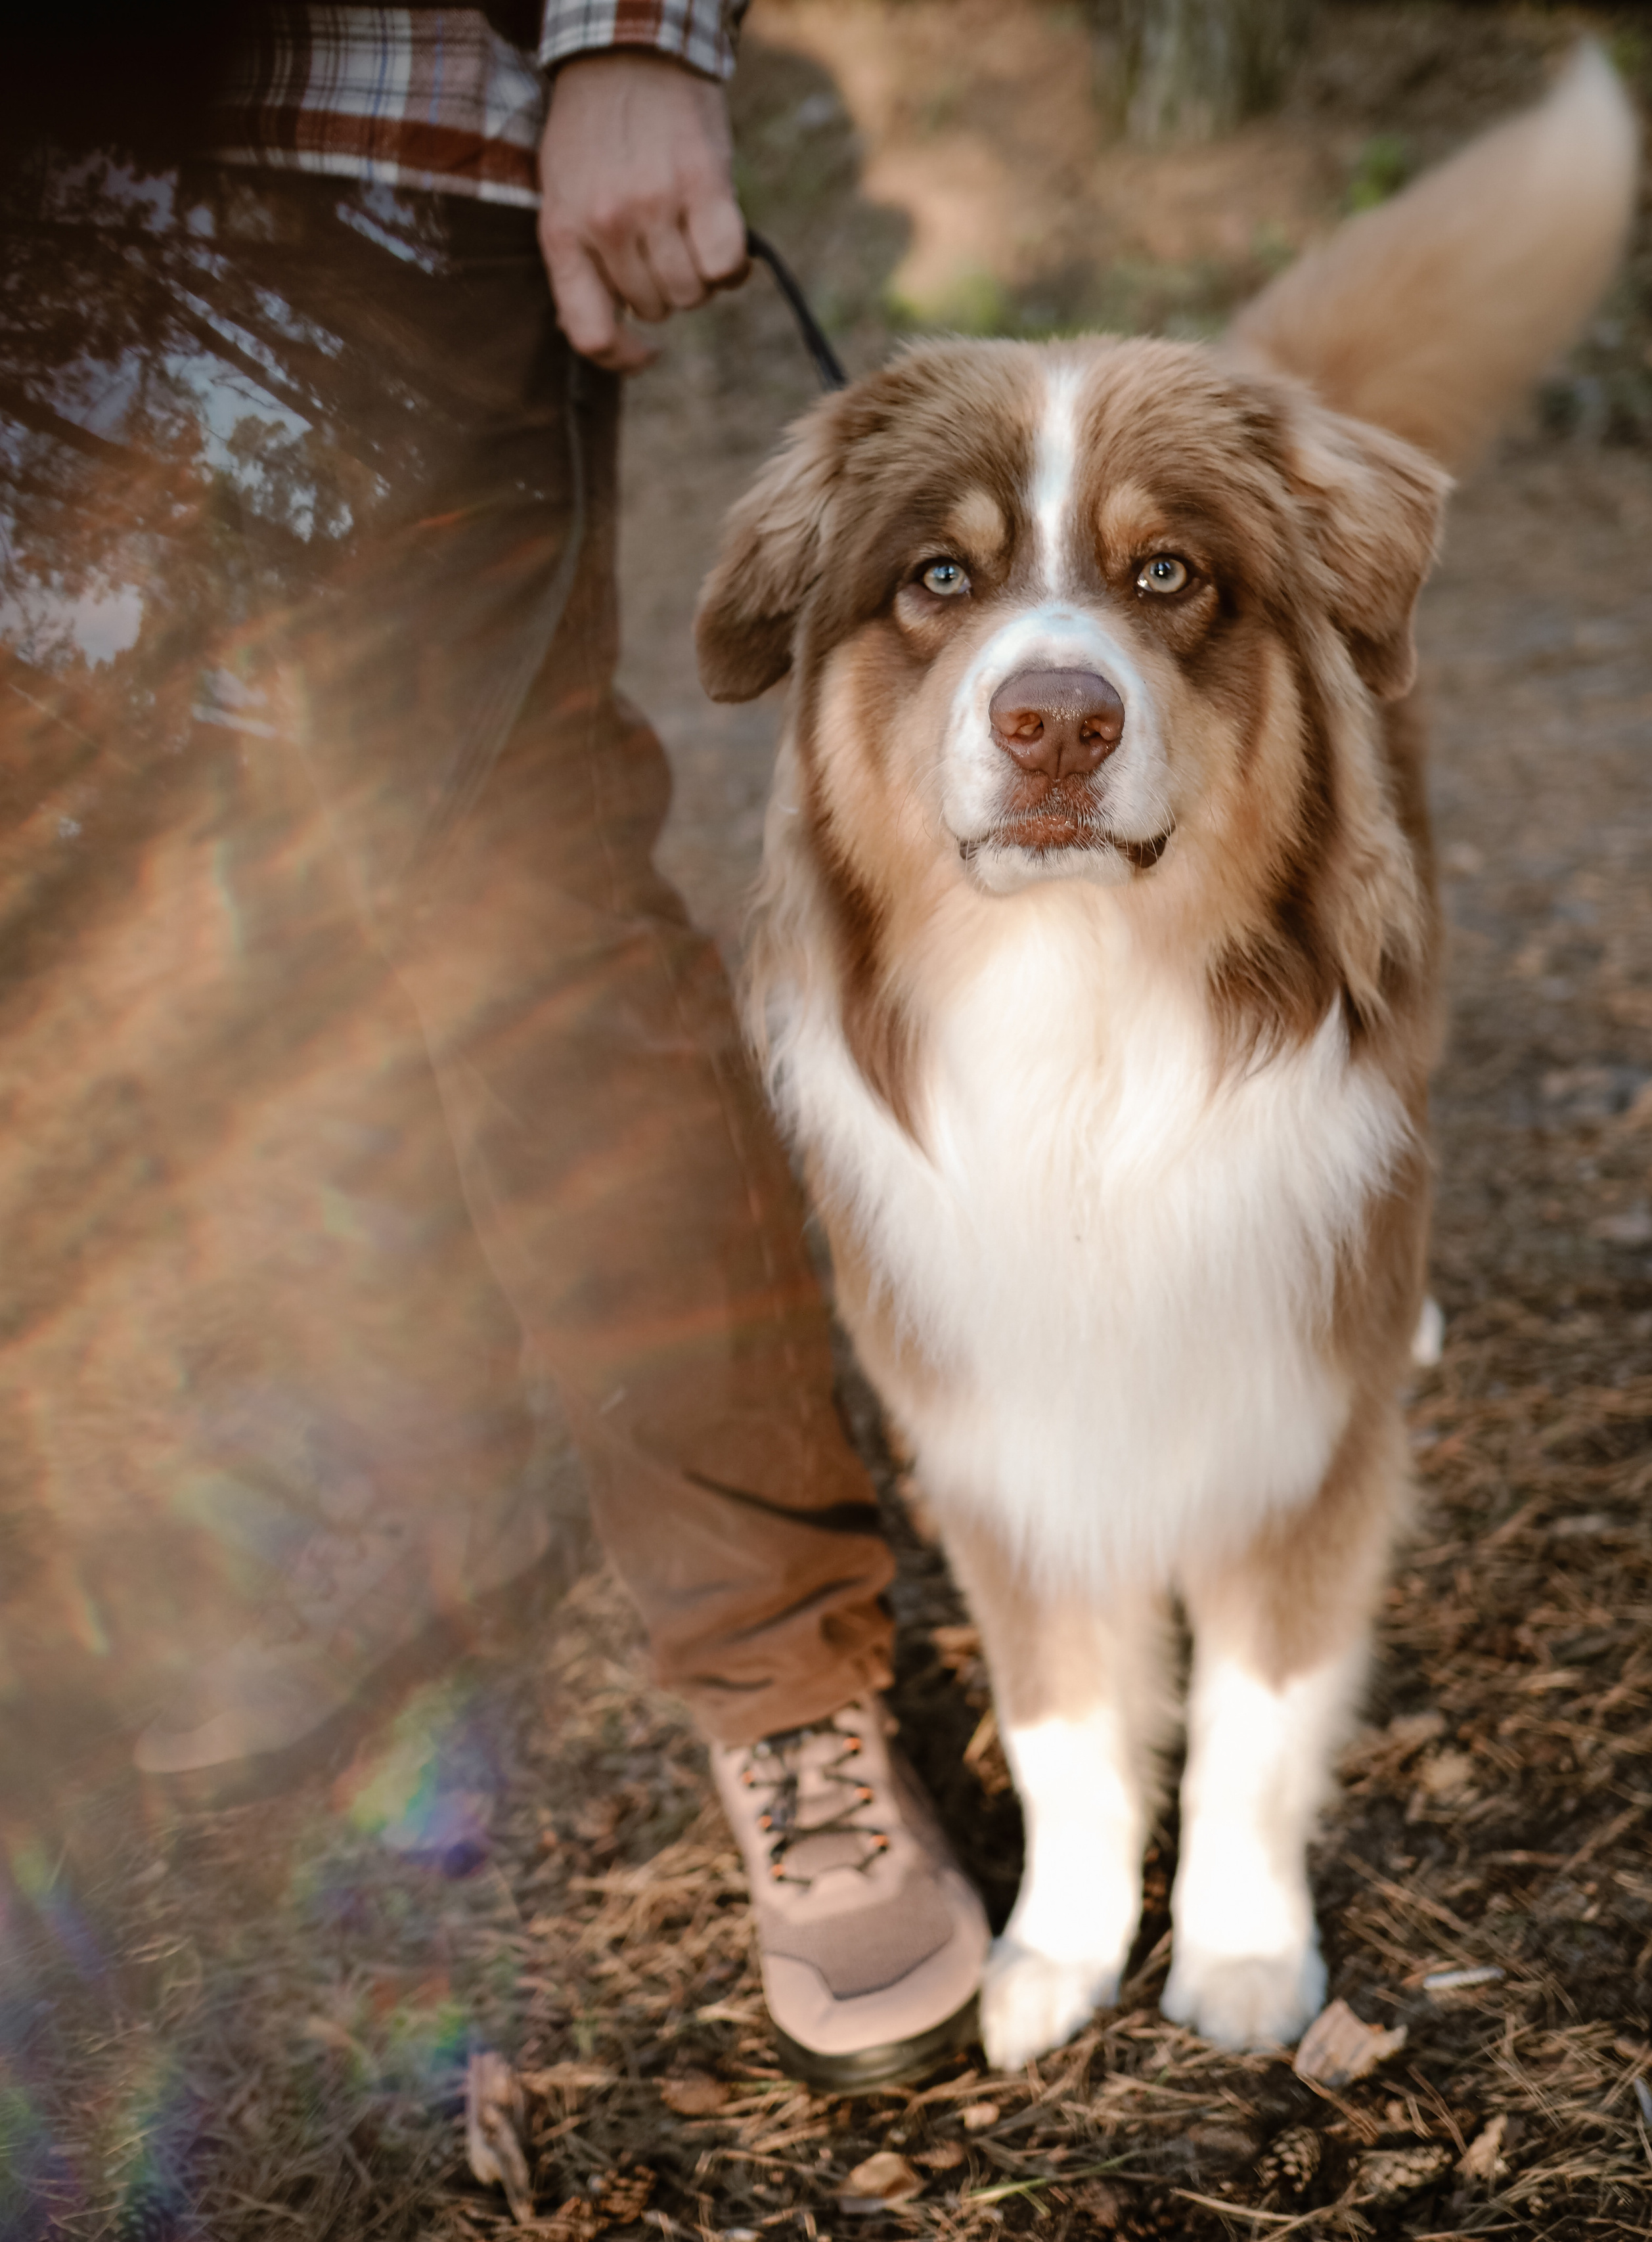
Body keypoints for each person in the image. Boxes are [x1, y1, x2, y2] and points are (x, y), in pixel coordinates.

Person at [0, 2, 987, 2086]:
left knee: (506, 932)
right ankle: (279, 1529)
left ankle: (778, 1679)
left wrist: (638, 33)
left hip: (359, 128)